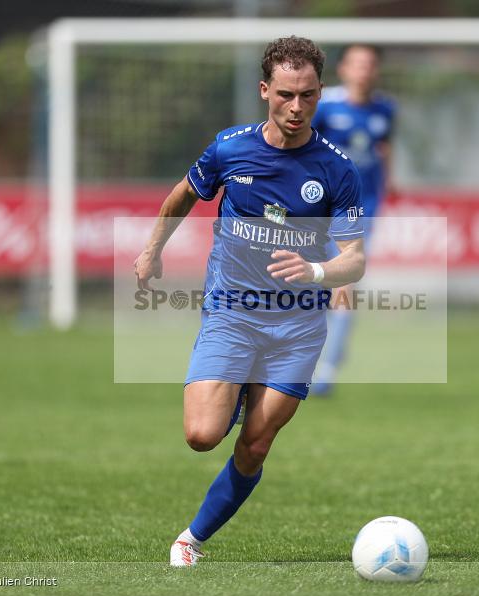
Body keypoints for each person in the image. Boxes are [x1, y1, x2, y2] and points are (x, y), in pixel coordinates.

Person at [133, 36, 366, 567]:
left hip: (297, 328)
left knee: (255, 447)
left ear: (320, 94)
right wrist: (152, 250)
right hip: (233, 314)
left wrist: (319, 271)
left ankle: (190, 539)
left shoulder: (336, 169)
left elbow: (355, 259)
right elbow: (184, 193)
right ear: (265, 90)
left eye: (307, 96)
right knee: (200, 435)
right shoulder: (230, 148)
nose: (296, 107)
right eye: (285, 94)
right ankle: (234, 391)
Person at [310, 44, 396, 395]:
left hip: (361, 209)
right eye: (357, 64)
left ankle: (327, 369)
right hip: (318, 208)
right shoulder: (325, 105)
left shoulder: (386, 109)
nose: (364, 70)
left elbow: (385, 149)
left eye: (370, 64)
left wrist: (389, 183)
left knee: (344, 284)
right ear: (343, 69)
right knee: (308, 284)